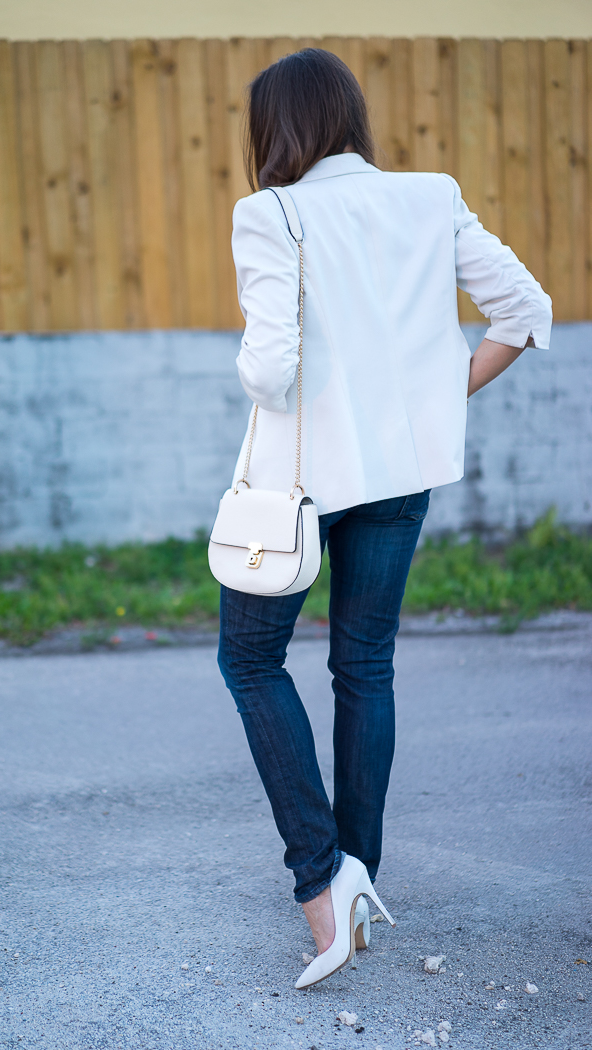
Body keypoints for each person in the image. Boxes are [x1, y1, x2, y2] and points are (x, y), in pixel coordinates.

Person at [216, 48, 552, 989]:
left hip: (302, 484)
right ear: (349, 117)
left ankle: (321, 881)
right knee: (364, 665)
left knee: (249, 659)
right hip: (401, 475)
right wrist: (438, 398)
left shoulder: (270, 213)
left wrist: (254, 355)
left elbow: (268, 372)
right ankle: (358, 868)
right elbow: (524, 311)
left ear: (276, 129)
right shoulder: (430, 196)